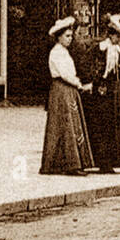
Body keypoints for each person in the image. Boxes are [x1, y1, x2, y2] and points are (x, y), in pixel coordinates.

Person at [40, 17, 95, 175]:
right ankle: (71, 164)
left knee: (67, 125)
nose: (70, 39)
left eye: (71, 36)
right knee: (66, 126)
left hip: (67, 91)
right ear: (58, 37)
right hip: (62, 90)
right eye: (67, 36)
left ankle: (65, 163)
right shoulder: (57, 53)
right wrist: (79, 84)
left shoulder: (63, 52)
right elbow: (65, 74)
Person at [84, 14, 120, 174]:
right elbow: (89, 66)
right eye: (118, 36)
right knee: (101, 125)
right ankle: (102, 161)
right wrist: (93, 81)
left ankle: (113, 160)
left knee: (114, 125)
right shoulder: (99, 48)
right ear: (110, 34)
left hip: (114, 91)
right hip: (99, 91)